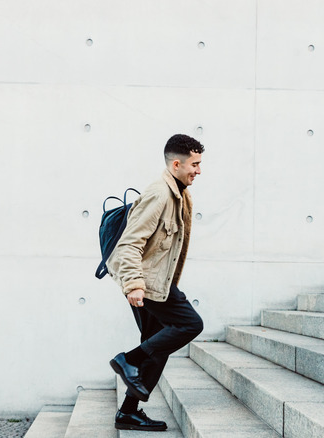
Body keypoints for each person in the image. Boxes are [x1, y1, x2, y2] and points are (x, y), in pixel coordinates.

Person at [106, 134, 205, 431]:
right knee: (190, 324)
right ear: (176, 164)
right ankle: (128, 360)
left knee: (156, 344)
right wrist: (134, 283)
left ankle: (128, 412)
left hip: (156, 282)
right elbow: (129, 244)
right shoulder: (159, 194)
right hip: (146, 283)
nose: (198, 171)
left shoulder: (179, 193)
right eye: (195, 164)